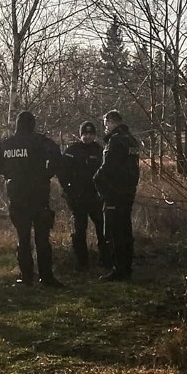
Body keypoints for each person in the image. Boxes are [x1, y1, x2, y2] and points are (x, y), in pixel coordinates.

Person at [0, 111, 64, 287]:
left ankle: (26, 278)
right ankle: (46, 277)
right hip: (39, 194)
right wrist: (46, 174)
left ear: (17, 125)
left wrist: (6, 172)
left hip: (17, 195)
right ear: (33, 124)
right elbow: (57, 155)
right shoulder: (40, 141)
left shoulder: (7, 144)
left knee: (23, 238)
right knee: (42, 238)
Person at [94, 110, 139, 281]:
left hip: (115, 192)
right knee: (126, 229)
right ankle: (126, 266)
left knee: (114, 232)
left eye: (106, 123)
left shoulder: (116, 140)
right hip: (128, 191)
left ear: (112, 121)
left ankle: (118, 269)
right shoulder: (132, 140)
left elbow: (108, 167)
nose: (105, 127)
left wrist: (97, 180)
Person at [59, 121, 108, 270]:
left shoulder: (100, 151)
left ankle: (105, 260)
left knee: (102, 229)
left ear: (94, 135)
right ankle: (82, 263)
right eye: (85, 134)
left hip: (95, 197)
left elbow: (106, 173)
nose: (87, 136)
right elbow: (62, 172)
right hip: (77, 197)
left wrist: (103, 193)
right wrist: (67, 190)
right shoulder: (72, 150)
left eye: (90, 134)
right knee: (79, 231)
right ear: (80, 135)